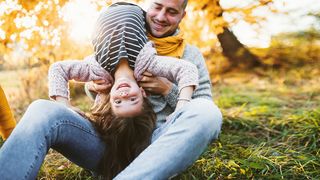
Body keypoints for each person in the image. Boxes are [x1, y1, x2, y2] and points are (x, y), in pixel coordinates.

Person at [0, 0, 222, 179]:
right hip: (108, 145)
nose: (162, 16)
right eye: (157, 6)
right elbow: (82, 73)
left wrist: (167, 89)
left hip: (159, 146)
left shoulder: (190, 56)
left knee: (207, 113)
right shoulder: (118, 38)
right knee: (41, 109)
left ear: (182, 15)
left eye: (172, 11)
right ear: (147, 5)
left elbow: (202, 104)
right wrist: (93, 86)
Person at [48, 3, 198, 179]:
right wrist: (182, 106)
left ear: (109, 98)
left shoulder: (96, 69)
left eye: (118, 102)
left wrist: (64, 106)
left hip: (102, 15)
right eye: (132, 100)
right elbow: (187, 70)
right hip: (135, 11)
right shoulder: (148, 64)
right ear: (143, 93)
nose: (124, 95)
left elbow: (57, 69)